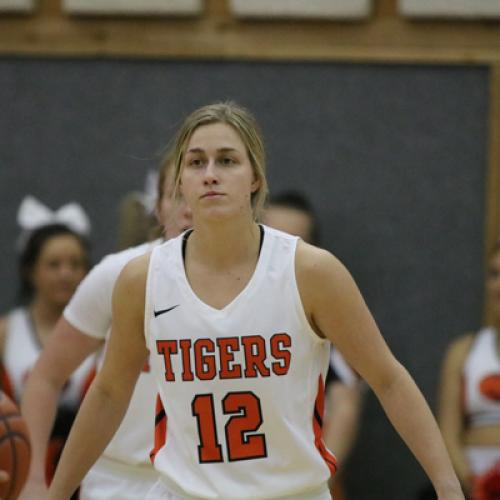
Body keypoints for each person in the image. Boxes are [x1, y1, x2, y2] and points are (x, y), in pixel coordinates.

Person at [48, 101, 464, 500]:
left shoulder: (311, 272)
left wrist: (447, 487)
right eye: (196, 162)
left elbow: (388, 378)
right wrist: (55, 494)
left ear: (255, 179)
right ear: (178, 183)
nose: (211, 174)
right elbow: (108, 394)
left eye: (227, 160)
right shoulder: (142, 279)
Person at [19, 156, 192, 500]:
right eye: (176, 194)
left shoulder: (256, 281)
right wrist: (34, 478)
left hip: (211, 481)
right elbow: (45, 377)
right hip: (121, 480)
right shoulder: (117, 274)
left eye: (197, 191)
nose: (188, 207)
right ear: (157, 208)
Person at [262, 190, 364, 500]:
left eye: (293, 243)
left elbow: (345, 405)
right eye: (271, 238)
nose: (281, 252)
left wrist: (315, 483)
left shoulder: (325, 317)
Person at [0, 197, 94, 493]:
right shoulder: (5, 332)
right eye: (53, 264)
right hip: (20, 473)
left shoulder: (105, 335)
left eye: (75, 264)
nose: (66, 273)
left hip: (88, 477)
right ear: (30, 270)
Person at [438, 239, 500, 499]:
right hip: (473, 484)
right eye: (494, 274)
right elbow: (447, 435)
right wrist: (474, 483)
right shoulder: (464, 351)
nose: (499, 285)